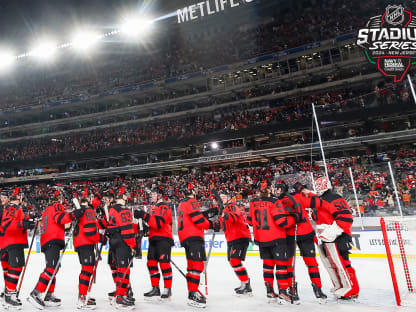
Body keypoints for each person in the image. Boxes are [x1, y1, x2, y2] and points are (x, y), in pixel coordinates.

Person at [28, 189, 81, 309]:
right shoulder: (57, 206)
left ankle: (48, 295)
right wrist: (74, 214)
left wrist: (69, 222)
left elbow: (60, 224)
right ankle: (36, 292)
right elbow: (61, 219)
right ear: (59, 199)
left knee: (54, 268)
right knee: (52, 267)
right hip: (52, 240)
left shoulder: (47, 210)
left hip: (48, 240)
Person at [309, 176, 359, 300]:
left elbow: (346, 218)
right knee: (331, 264)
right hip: (325, 238)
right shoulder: (318, 200)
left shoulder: (334, 198)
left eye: (320, 185)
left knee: (342, 263)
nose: (318, 187)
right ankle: (339, 286)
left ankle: (351, 289)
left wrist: (331, 232)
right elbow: (318, 218)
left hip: (338, 237)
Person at [247, 180, 294, 304]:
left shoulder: (253, 202)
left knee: (267, 267)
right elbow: (281, 222)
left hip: (261, 240)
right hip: (276, 238)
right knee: (281, 266)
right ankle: (283, 292)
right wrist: (292, 218)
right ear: (269, 189)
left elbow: (250, 221)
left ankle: (269, 291)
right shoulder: (275, 201)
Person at [177, 183, 219, 308]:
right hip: (194, 236)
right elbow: (198, 220)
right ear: (193, 192)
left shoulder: (181, 204)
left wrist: (207, 213)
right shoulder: (192, 202)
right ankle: (193, 294)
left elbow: (192, 217)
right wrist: (212, 225)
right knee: (197, 266)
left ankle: (192, 291)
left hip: (185, 237)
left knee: (191, 266)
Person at [134, 187, 174, 300]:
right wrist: (144, 228)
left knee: (164, 263)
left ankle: (167, 289)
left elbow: (158, 224)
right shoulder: (154, 208)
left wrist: (143, 215)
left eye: (154, 194)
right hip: (154, 239)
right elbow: (153, 225)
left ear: (160, 196)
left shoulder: (163, 207)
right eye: (151, 194)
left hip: (164, 239)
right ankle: (155, 288)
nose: (151, 195)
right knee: (151, 263)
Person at [290, 182, 327, 303]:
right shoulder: (300, 197)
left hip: (291, 234)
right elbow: (318, 202)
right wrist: (309, 193)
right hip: (304, 233)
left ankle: (292, 290)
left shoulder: (282, 199)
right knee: (312, 263)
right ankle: (318, 289)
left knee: (289, 265)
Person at [0, 188, 35, 309]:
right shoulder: (12, 208)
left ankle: (9, 294)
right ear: (19, 197)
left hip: (8, 242)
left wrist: (28, 223)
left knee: (12, 269)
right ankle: (9, 296)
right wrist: (23, 224)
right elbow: (7, 224)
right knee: (15, 269)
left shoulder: (14, 209)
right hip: (12, 242)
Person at [218, 189, 252, 295]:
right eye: (220, 197)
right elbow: (222, 225)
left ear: (229, 197)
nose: (222, 199)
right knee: (232, 261)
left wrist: (222, 214)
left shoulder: (232, 206)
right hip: (231, 238)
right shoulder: (224, 210)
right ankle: (244, 283)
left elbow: (233, 218)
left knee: (235, 261)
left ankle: (246, 284)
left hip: (240, 237)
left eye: (224, 197)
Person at [106, 186, 136, 308]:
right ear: (123, 197)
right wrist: (133, 245)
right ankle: (120, 296)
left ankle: (121, 293)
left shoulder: (111, 209)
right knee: (124, 270)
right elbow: (127, 230)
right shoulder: (126, 210)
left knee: (119, 269)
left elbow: (108, 226)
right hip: (123, 242)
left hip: (113, 242)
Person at [73, 192, 100, 309]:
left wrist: (98, 196)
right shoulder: (88, 211)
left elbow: (94, 204)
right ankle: (82, 298)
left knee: (86, 269)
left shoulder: (80, 210)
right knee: (87, 269)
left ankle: (83, 295)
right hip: (86, 242)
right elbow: (90, 231)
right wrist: (100, 238)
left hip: (79, 243)